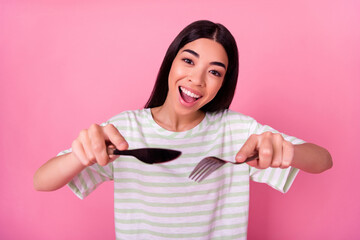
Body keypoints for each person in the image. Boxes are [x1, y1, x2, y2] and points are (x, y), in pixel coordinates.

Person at [34, 20, 332, 239]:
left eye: (214, 71)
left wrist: (285, 150)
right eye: (188, 60)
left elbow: (323, 161)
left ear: (223, 83)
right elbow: (41, 181)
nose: (197, 79)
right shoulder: (125, 131)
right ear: (170, 63)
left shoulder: (236, 132)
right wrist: (81, 154)